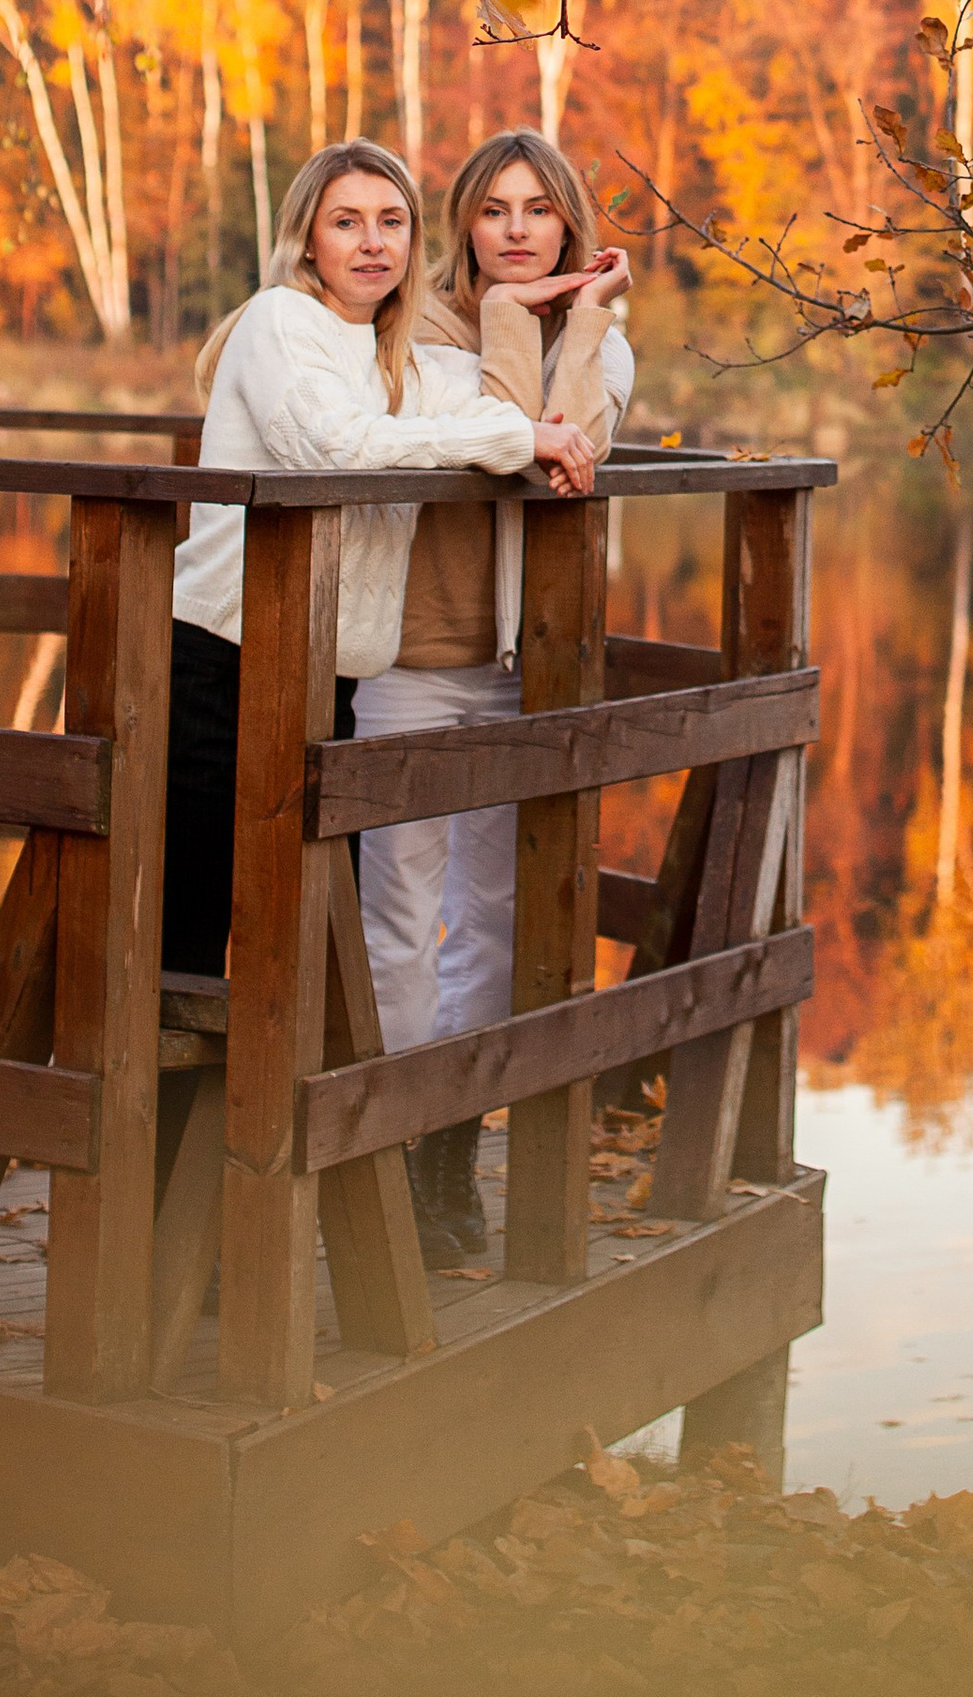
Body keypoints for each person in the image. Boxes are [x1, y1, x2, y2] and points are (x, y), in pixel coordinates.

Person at [162, 139, 596, 990]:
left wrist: (515, 306)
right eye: (347, 223)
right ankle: (156, 1124)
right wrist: (519, 436)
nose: (371, 243)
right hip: (224, 658)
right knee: (196, 922)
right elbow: (335, 446)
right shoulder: (280, 323)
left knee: (313, 931)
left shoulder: (404, 361)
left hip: (328, 675)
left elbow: (526, 419)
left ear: (411, 245)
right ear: (308, 242)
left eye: (391, 223)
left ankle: (284, 1123)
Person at [358, 127, 634, 1267]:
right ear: (461, 224)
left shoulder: (602, 341)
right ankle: (375, 1152)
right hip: (412, 662)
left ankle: (443, 1157)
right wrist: (523, 323)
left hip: (528, 669)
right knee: (391, 925)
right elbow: (515, 447)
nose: (517, 231)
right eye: (493, 210)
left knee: (494, 922)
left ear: (568, 222)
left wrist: (574, 326)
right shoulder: (411, 334)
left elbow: (579, 452)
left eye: (538, 210)